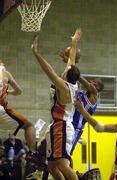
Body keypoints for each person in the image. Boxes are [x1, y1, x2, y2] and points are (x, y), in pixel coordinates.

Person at [31, 28, 81, 180]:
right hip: (56, 126)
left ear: (67, 75)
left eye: (66, 69)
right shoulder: (69, 81)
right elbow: (71, 60)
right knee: (52, 167)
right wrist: (74, 42)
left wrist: (35, 53)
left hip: (62, 127)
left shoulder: (64, 87)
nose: (65, 68)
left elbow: (49, 71)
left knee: (63, 165)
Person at [0, 61, 36, 153]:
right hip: (1, 109)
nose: (4, 63)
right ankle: (33, 154)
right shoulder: (5, 73)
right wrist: (9, 91)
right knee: (29, 126)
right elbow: (19, 91)